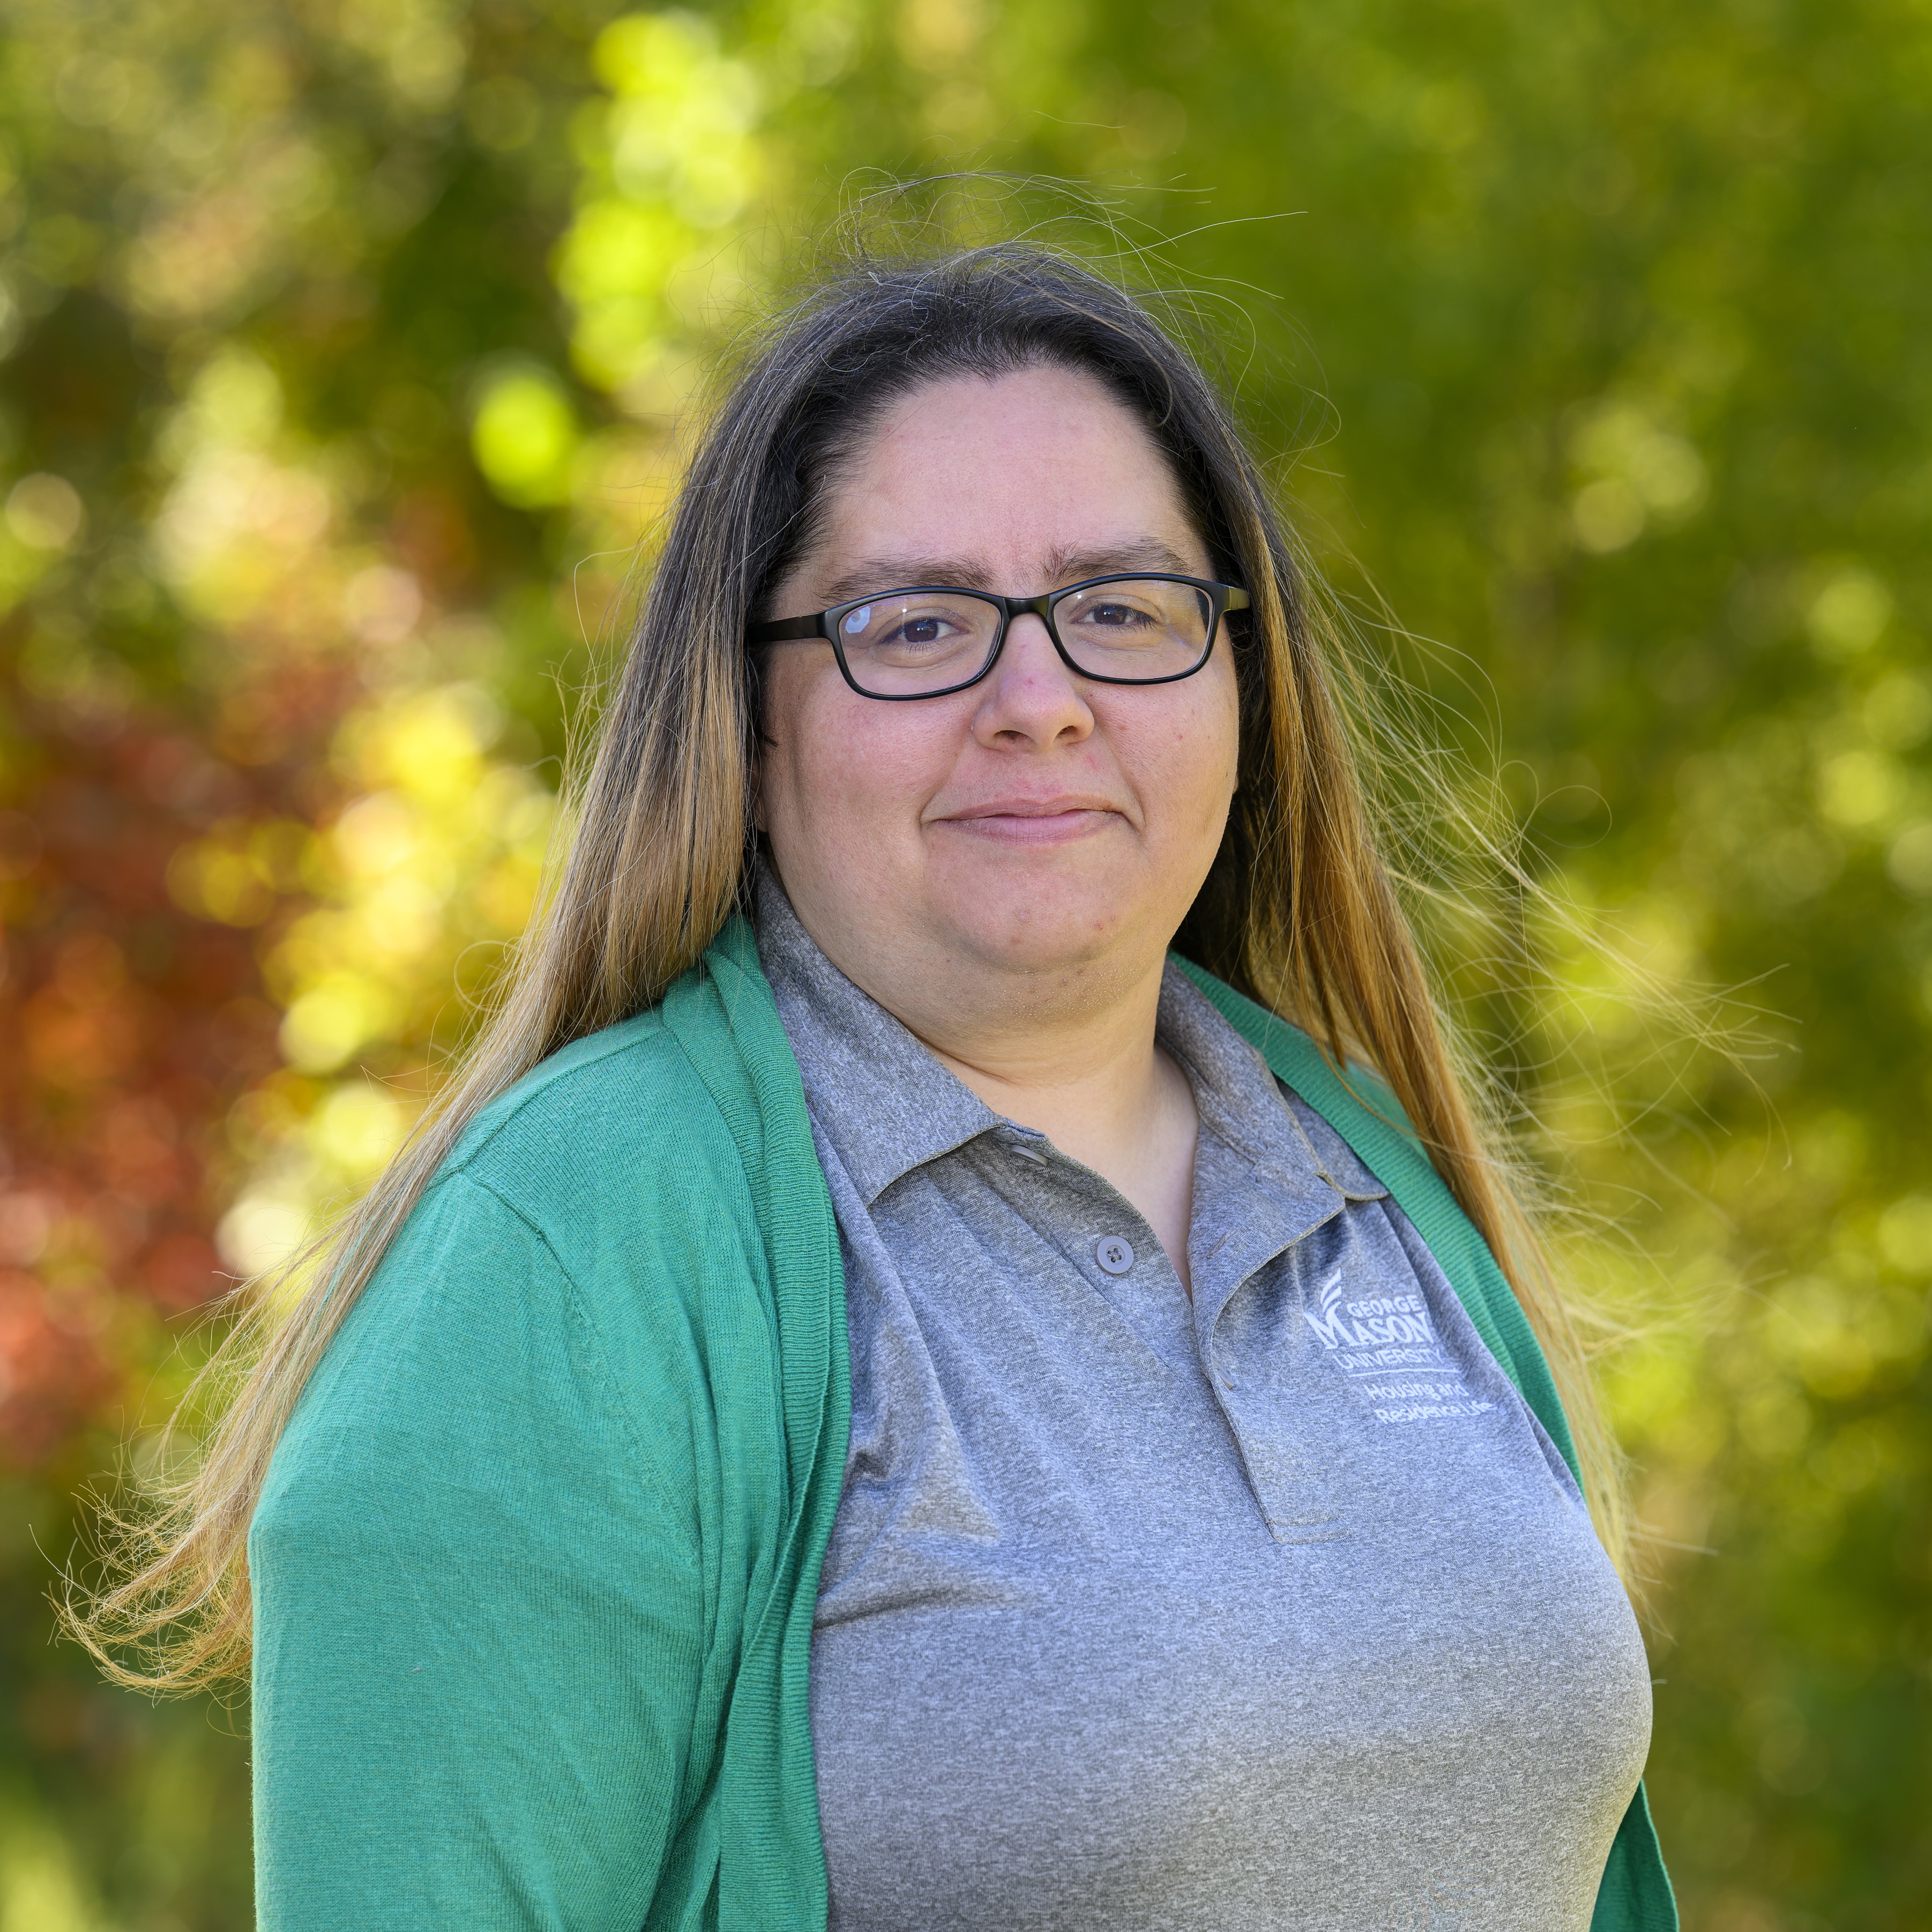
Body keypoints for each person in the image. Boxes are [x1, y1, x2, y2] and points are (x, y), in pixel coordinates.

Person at [80, 245, 1675, 1930]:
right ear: (748, 731)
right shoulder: (561, 1263)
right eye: (914, 627)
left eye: (1122, 610)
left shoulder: (1358, 1162)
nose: (1040, 703)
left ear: (1242, 683)